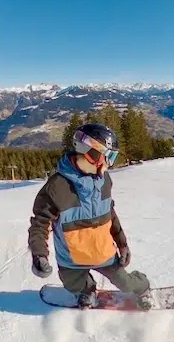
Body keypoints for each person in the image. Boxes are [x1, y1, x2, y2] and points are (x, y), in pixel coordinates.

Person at [28, 123, 153, 309]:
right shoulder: (57, 188)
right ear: (91, 152)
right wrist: (39, 256)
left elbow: (110, 214)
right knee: (73, 284)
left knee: (126, 282)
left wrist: (122, 244)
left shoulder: (104, 181)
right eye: (109, 156)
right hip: (71, 259)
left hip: (103, 253)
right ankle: (87, 291)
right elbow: (39, 224)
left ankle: (143, 287)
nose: (109, 163)